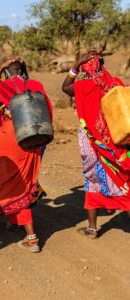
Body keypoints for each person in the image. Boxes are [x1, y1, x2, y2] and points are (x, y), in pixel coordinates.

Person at [0, 57, 52, 252]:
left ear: (8, 72)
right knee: (24, 181)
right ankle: (12, 221)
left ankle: (32, 237)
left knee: (10, 184)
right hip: (32, 141)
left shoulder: (5, 85)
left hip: (7, 141)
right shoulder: (36, 84)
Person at [62, 51, 130, 238]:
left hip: (92, 142)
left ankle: (92, 229)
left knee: (92, 181)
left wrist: (75, 65)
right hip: (117, 143)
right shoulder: (116, 82)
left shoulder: (84, 85)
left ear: (85, 68)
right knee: (123, 180)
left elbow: (65, 87)